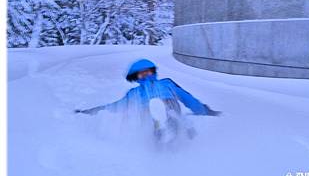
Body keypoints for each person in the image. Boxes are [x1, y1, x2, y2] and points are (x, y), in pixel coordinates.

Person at [75, 59, 221, 139]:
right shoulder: (134, 93)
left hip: (169, 104)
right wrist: (91, 111)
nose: (145, 75)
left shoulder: (167, 83)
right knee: (151, 111)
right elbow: (116, 106)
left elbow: (187, 98)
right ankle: (160, 130)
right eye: (141, 74)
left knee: (167, 108)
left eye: (148, 71)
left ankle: (177, 124)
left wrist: (204, 110)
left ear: (153, 71)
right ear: (136, 77)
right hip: (149, 112)